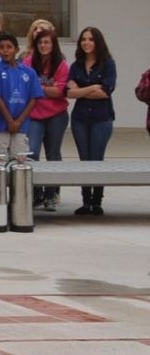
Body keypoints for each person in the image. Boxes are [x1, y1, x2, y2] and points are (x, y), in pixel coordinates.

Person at [66, 27, 116, 216]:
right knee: (84, 160)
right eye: (83, 39)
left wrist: (82, 90)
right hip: (80, 119)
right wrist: (92, 87)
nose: (87, 42)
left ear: (98, 42)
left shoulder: (108, 64)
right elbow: (69, 93)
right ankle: (86, 202)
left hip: (101, 118)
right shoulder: (76, 65)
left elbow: (105, 92)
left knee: (97, 159)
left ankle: (97, 202)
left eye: (91, 39)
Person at [22, 21, 70, 211]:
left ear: (53, 44)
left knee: (53, 154)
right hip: (34, 114)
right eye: (40, 42)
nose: (43, 45)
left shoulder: (62, 64)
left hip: (56, 115)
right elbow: (26, 87)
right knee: (32, 153)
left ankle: (51, 195)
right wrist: (46, 89)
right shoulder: (28, 61)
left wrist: (38, 88)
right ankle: (36, 193)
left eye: (47, 42)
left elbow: (59, 92)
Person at [0, 32, 41, 162]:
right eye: (1, 47)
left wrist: (19, 121)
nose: (5, 50)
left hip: (21, 126)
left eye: (9, 47)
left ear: (17, 49)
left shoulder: (29, 72)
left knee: (19, 164)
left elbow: (34, 98)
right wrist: (10, 121)